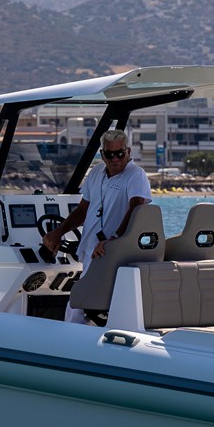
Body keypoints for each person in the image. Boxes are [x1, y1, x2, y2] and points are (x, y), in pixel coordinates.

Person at [41, 130, 152, 323]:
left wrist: (114, 239)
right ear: (102, 154)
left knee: (79, 300)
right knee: (84, 299)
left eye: (120, 153)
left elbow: (136, 209)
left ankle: (70, 335)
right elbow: (82, 210)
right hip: (91, 249)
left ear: (128, 152)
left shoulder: (136, 175)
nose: (115, 159)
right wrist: (58, 232)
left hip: (109, 251)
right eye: (110, 154)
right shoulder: (95, 173)